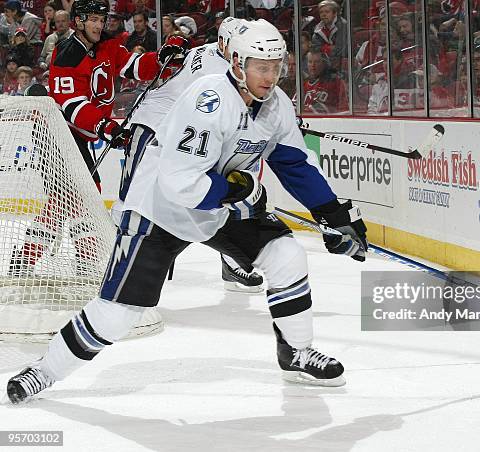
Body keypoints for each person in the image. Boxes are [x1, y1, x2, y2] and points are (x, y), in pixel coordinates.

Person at [7, 19, 368, 404]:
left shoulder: (276, 105)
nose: (270, 76)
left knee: (288, 255)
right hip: (160, 209)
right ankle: (43, 370)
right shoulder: (208, 99)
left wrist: (334, 216)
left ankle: (295, 351)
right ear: (237, 63)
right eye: (261, 66)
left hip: (215, 208)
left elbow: (294, 163)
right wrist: (237, 190)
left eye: (276, 67)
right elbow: (180, 183)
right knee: (118, 313)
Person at [6, 0, 189, 276]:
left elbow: (136, 67)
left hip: (77, 137)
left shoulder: (110, 46)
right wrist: (106, 126)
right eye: (92, 19)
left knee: (66, 201)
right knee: (84, 196)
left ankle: (28, 260)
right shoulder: (65, 53)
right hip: (55, 132)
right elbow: (70, 104)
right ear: (78, 22)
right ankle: (86, 262)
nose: (98, 25)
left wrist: (163, 57)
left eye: (101, 20)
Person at [115, 16, 265, 292]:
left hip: (193, 133)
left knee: (228, 185)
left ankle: (231, 260)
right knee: (135, 198)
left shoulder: (219, 55)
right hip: (154, 126)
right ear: (223, 43)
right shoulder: (213, 69)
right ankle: (123, 264)